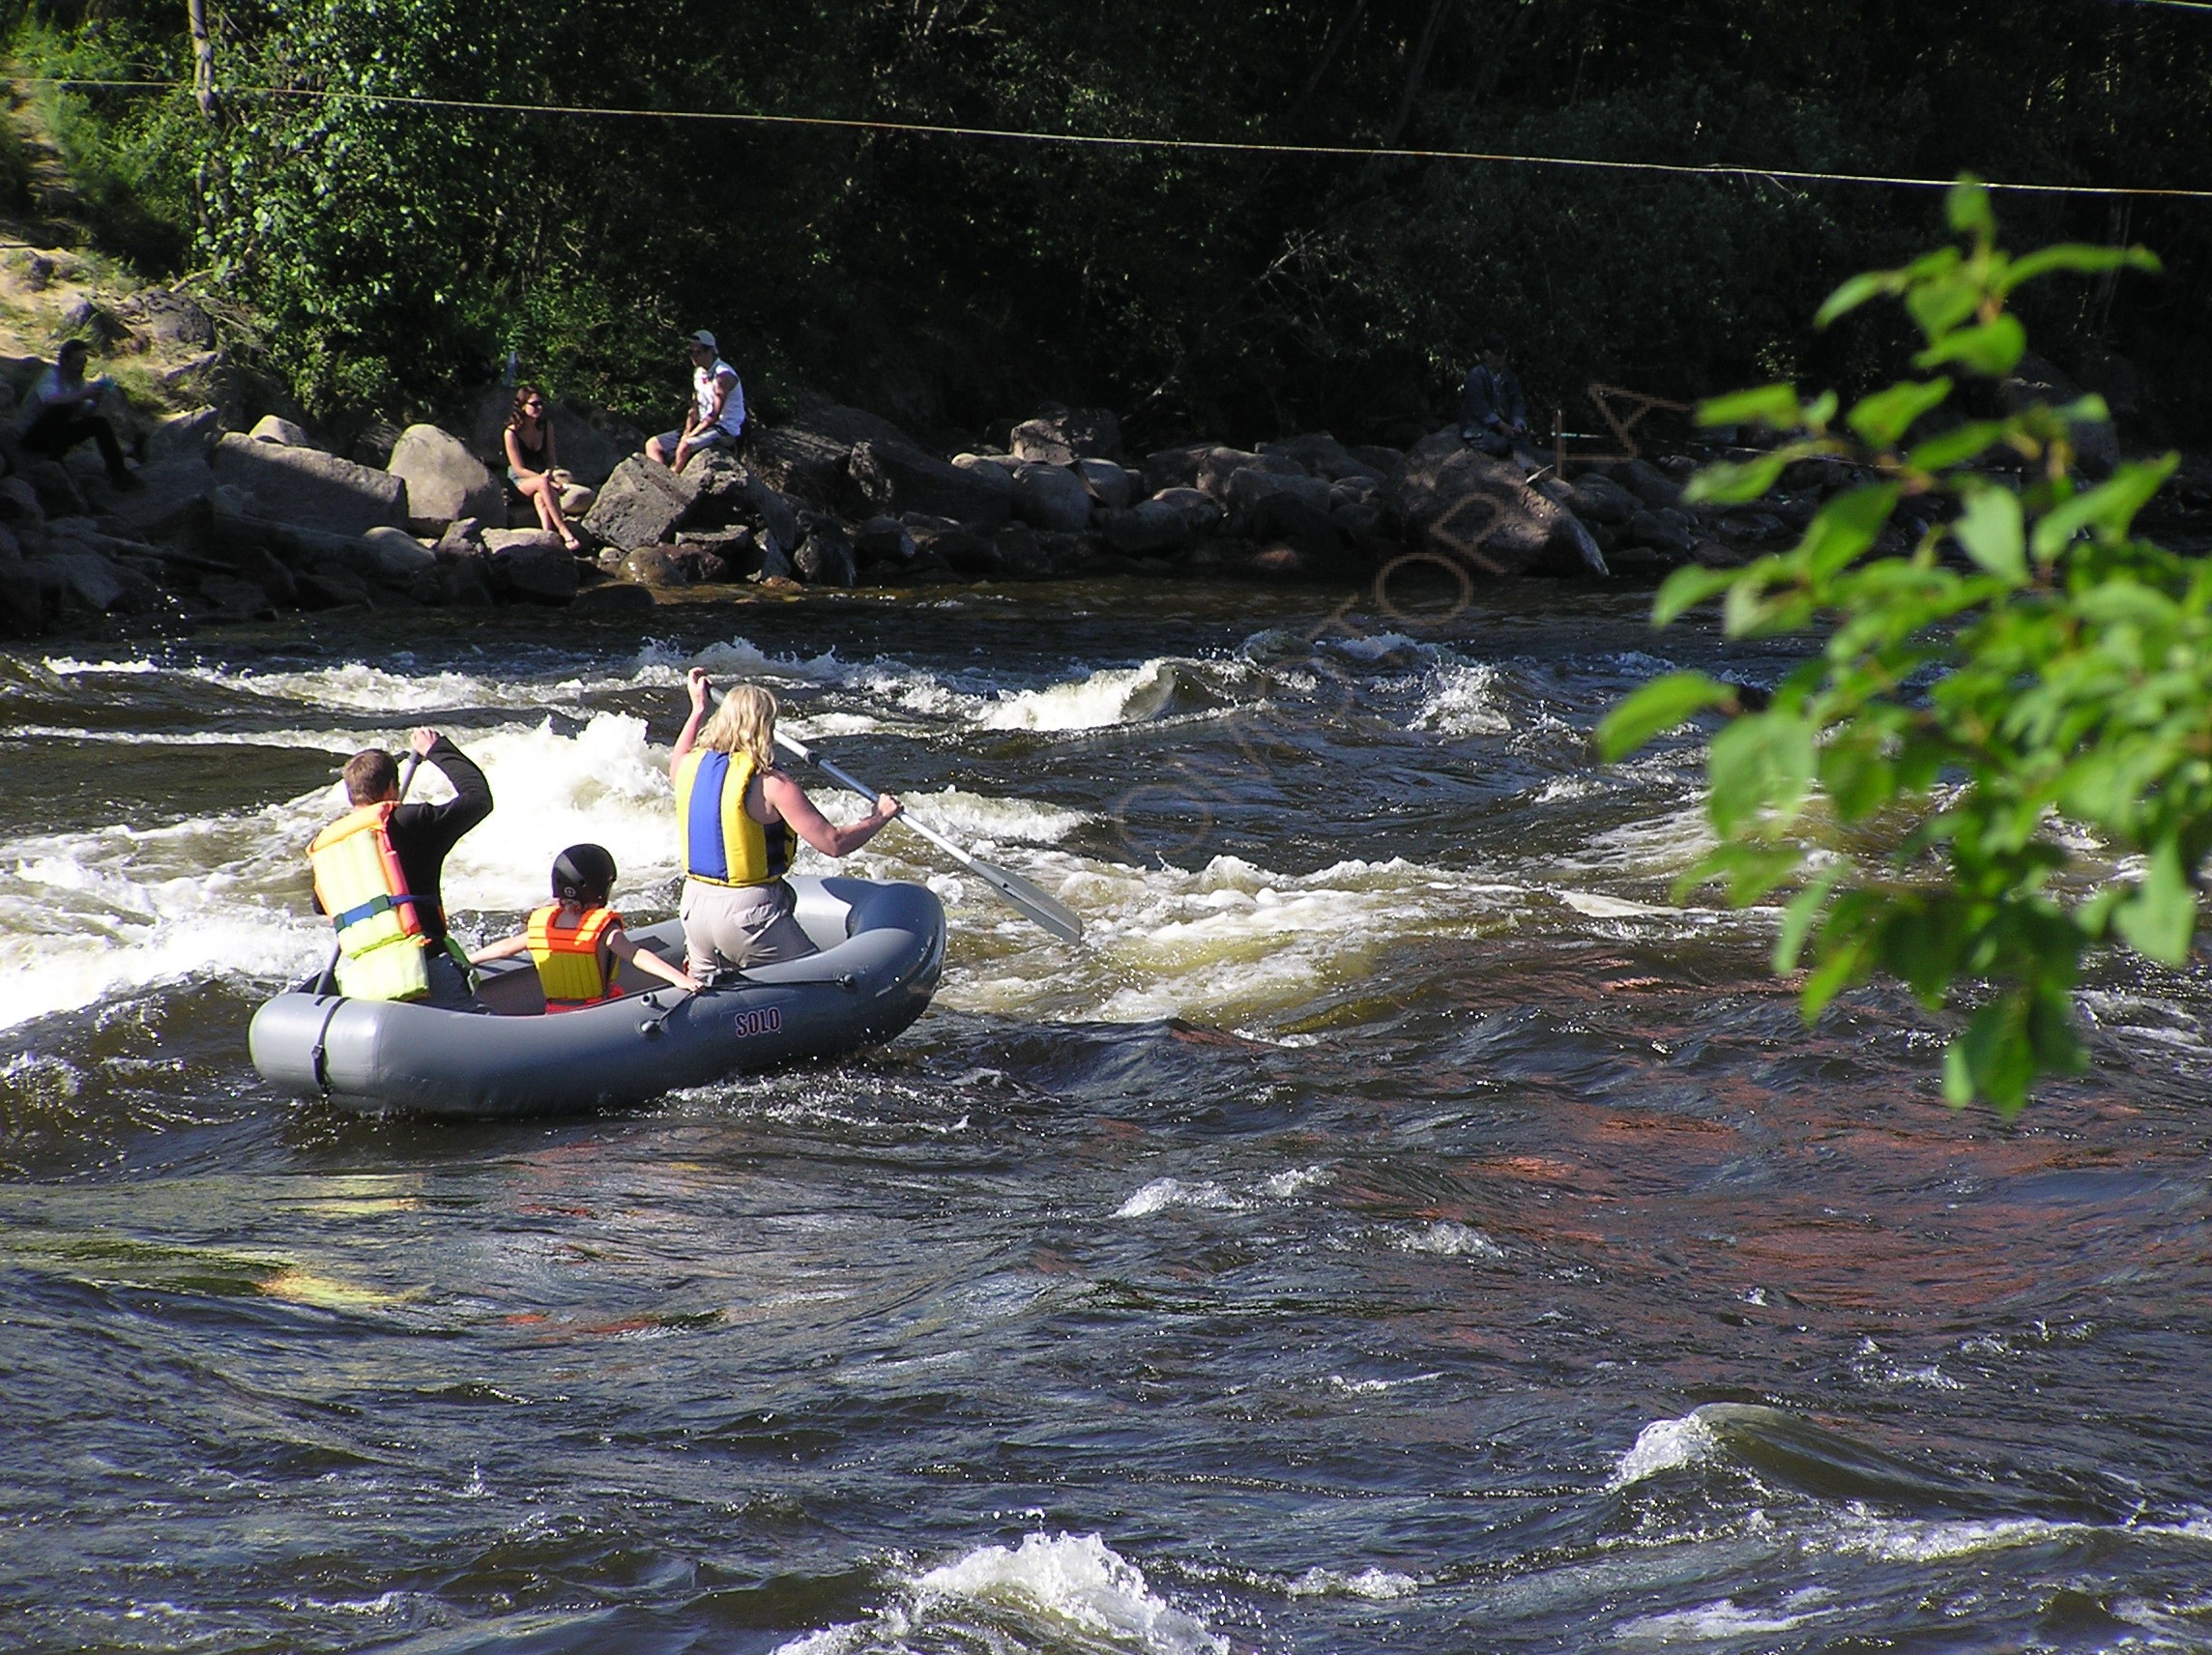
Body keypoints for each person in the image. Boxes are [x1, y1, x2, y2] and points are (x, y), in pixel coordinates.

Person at [669, 669, 900, 978]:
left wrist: (697, 708)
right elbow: (833, 843)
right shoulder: (773, 785)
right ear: (766, 727)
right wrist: (879, 816)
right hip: (748, 916)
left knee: (704, 998)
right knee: (822, 984)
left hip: (693, 909)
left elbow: (680, 751)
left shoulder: (687, 768)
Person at [307, 728, 493, 1007]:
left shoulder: (329, 845)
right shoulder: (410, 821)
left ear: (351, 796)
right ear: (392, 788)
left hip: (366, 985)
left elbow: (320, 905)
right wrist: (436, 749)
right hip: (425, 970)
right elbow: (478, 798)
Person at [468, 843, 699, 1009]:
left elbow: (505, 948)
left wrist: (468, 960)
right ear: (601, 887)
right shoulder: (601, 929)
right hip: (599, 1012)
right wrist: (680, 979)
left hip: (554, 1013)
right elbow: (636, 955)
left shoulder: (541, 926)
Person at [21, 339, 133, 489]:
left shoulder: (77, 381)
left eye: (84, 361)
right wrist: (83, 394)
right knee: (62, 409)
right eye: (78, 361)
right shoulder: (51, 375)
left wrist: (95, 400)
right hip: (33, 435)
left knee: (99, 423)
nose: (82, 366)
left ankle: (119, 473)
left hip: (56, 437)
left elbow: (83, 414)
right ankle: (54, 459)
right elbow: (51, 401)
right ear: (65, 361)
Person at [645, 330, 745, 472]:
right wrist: (687, 430)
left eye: (697, 352)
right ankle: (658, 479)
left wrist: (691, 435)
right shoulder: (699, 372)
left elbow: (714, 415)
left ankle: (671, 481)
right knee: (653, 444)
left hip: (723, 428)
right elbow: (694, 408)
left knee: (684, 446)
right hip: (703, 424)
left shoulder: (723, 376)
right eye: (690, 352)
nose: (693, 356)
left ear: (710, 351)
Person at [503, 384, 582, 552]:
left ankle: (548, 536)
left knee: (540, 496)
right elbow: (518, 469)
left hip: (541, 478)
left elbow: (551, 458)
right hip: (519, 482)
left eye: (540, 403)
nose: (538, 408)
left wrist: (549, 472)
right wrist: (549, 482)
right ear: (522, 406)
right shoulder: (511, 433)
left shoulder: (546, 426)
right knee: (542, 484)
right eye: (534, 404)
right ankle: (564, 530)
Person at [1458, 339, 1539, 465]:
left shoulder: (1509, 377)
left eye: (1503, 354)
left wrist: (1518, 423)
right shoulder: (1476, 376)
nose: (1501, 357)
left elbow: (1517, 403)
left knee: (1520, 440)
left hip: (1501, 428)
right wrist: (1503, 426)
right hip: (1477, 431)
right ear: (1486, 354)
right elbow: (1480, 409)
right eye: (1497, 354)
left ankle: (1529, 470)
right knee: (1499, 444)